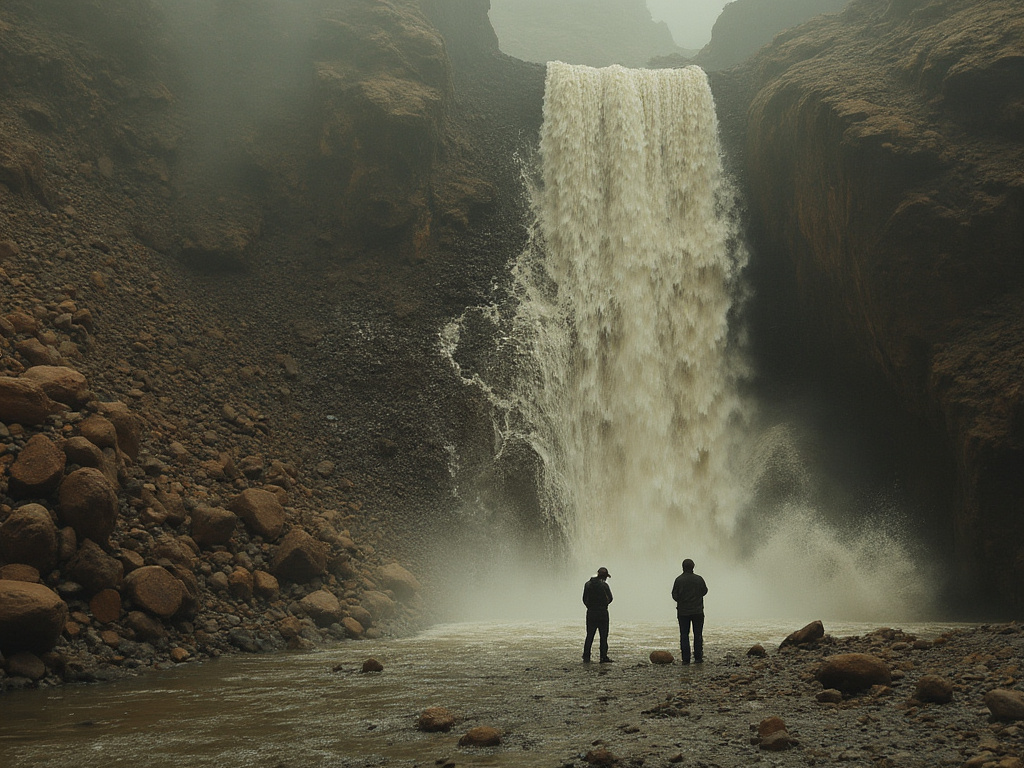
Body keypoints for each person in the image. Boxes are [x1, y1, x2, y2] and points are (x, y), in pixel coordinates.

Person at [671, 558, 708, 664]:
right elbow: (704, 591)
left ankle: (686, 659)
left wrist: (682, 601)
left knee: (684, 635)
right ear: (693, 567)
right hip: (698, 611)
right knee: (698, 634)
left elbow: (674, 595)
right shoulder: (699, 579)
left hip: (683, 612)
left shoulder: (678, 580)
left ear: (683, 567)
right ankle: (698, 658)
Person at [582, 566, 614, 663]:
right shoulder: (604, 586)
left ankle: (586, 656)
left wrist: (590, 607)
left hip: (591, 613)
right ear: (604, 577)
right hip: (602, 613)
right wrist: (604, 605)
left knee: (589, 635)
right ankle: (603, 657)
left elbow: (584, 599)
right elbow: (611, 598)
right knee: (603, 636)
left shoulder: (587, 584)